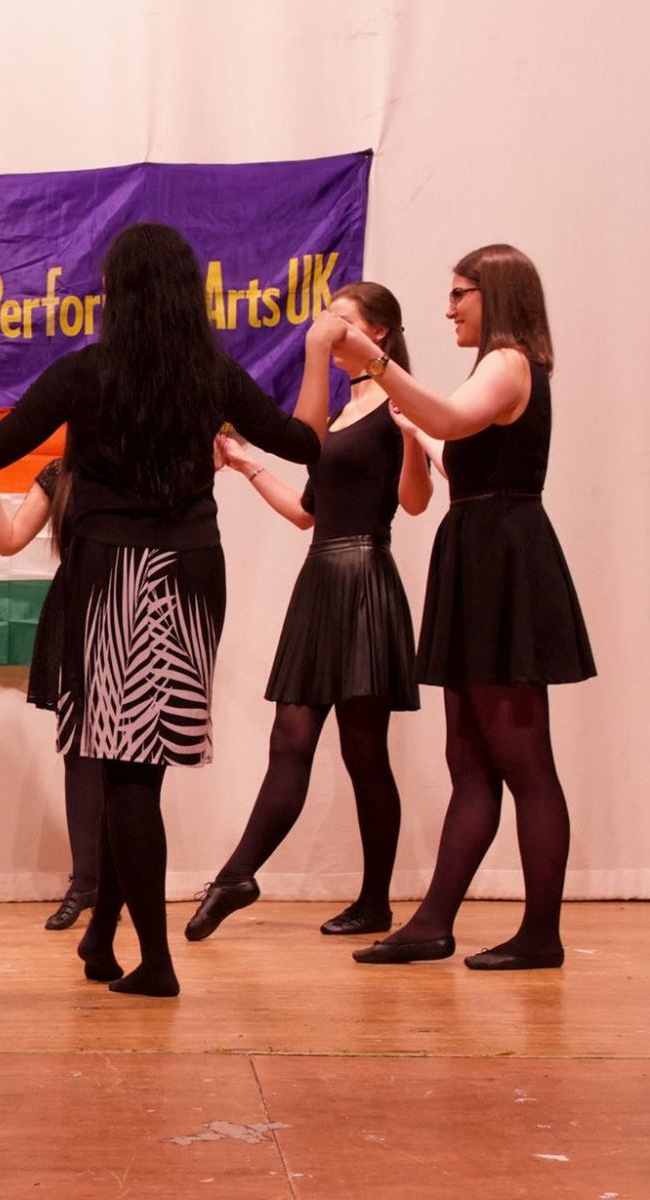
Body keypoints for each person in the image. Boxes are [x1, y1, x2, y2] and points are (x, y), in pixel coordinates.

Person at [0, 223, 327, 997]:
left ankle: (154, 962)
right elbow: (304, 442)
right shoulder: (211, 375)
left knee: (124, 772)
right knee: (140, 770)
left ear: (116, 293)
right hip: (191, 573)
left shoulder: (85, 373)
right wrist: (317, 356)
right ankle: (100, 937)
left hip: (113, 576)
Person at [329, 244, 593, 971]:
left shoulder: (508, 363)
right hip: (481, 553)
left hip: (503, 558)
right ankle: (433, 922)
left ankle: (540, 934)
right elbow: (459, 445)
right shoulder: (496, 367)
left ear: (494, 295)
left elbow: (448, 420)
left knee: (523, 760)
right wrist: (418, 436)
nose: (448, 309)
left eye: (459, 294)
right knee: (470, 759)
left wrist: (378, 367)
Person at [185, 282, 438, 943]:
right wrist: (243, 464)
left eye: (342, 321)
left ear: (376, 334)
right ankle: (239, 876)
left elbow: (414, 504)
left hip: (363, 580)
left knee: (364, 753)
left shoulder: (397, 402)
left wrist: (413, 442)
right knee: (289, 741)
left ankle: (374, 901)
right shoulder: (342, 409)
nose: (327, 331)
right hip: (321, 578)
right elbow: (307, 513)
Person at [0, 457, 105, 931]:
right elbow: (10, 539)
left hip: (131, 602)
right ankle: (86, 881)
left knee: (130, 752)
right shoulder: (61, 473)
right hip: (75, 606)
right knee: (79, 749)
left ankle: (120, 881)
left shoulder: (138, 459)